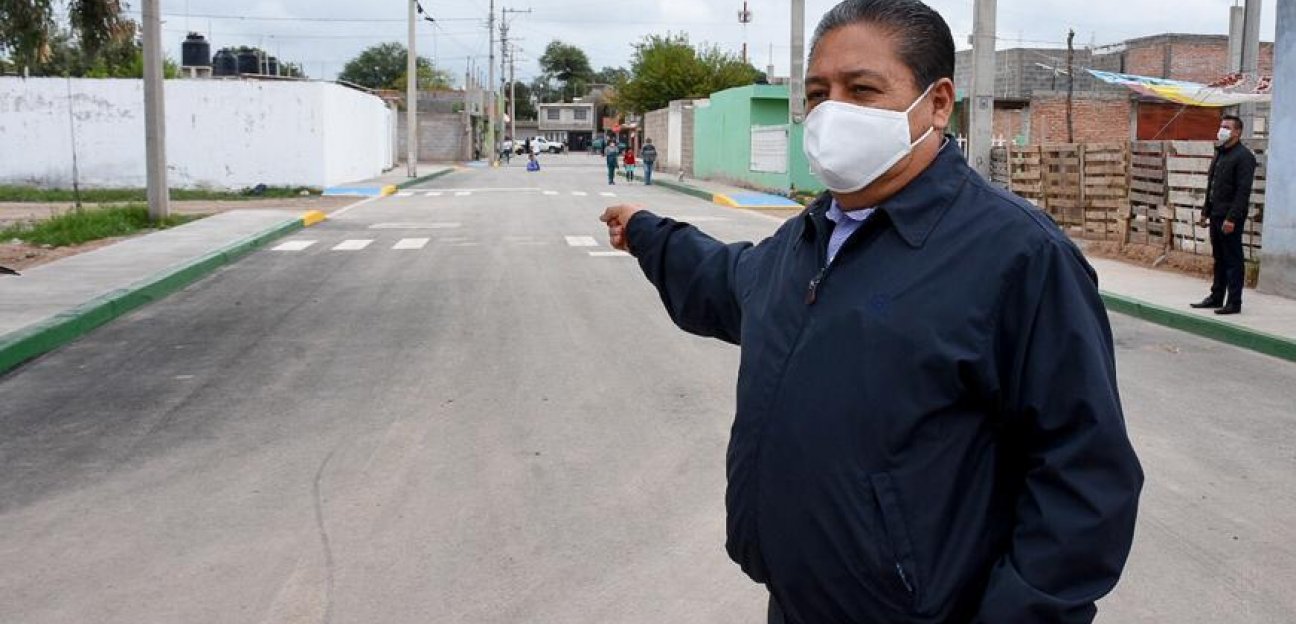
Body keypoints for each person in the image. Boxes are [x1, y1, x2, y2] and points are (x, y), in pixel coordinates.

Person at [598, 1, 1143, 623]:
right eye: (817, 94)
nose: (832, 112)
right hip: (797, 603)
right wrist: (648, 233)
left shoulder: (1017, 255)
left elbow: (1083, 477)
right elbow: (730, 284)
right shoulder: (811, 235)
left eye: (861, 90)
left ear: (938, 104)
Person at [1191, 114, 1257, 315]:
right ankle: (1216, 296)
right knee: (1219, 257)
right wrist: (1205, 211)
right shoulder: (1220, 153)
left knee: (1233, 259)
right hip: (1216, 213)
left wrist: (1232, 218)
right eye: (1221, 126)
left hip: (1230, 217)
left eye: (1227, 127)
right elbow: (1212, 185)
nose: (1222, 130)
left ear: (1237, 132)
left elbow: (1243, 192)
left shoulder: (1244, 157)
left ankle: (1234, 302)